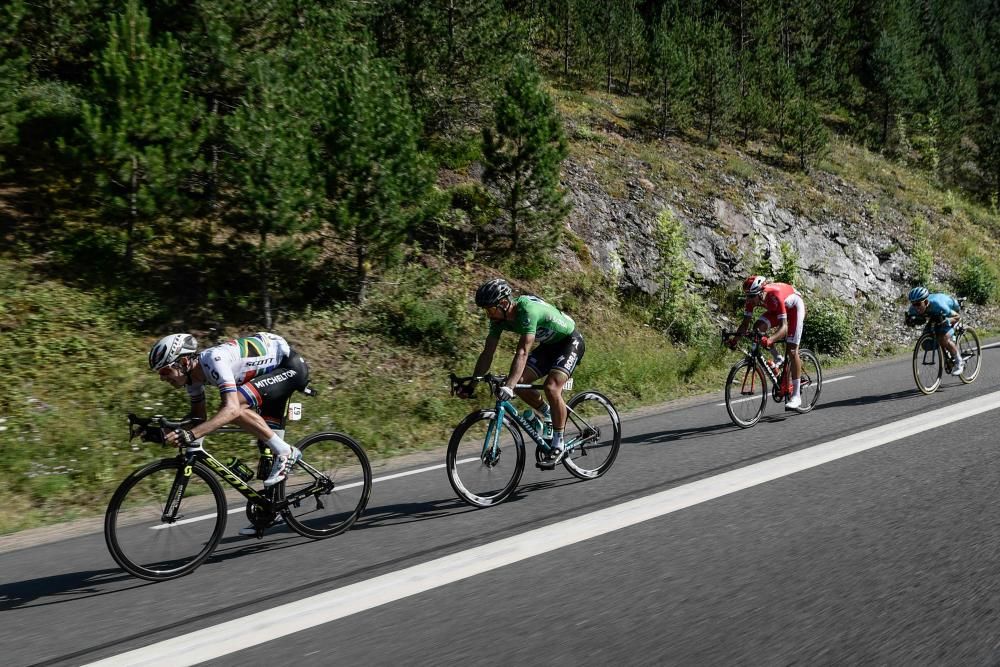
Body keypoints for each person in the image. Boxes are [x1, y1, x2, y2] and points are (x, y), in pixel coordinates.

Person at [148, 332, 310, 488]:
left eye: (165, 371)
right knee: (268, 463)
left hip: (288, 367)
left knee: (233, 408)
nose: (162, 378)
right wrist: (162, 432)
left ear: (183, 363)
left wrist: (191, 434)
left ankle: (286, 452)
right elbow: (198, 418)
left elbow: (231, 410)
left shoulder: (214, 360)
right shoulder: (192, 380)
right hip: (270, 374)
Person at [459, 278, 584, 468]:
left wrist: (508, 386)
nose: (488, 314)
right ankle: (548, 413)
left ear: (503, 303)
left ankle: (559, 443)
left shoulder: (526, 311)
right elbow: (487, 353)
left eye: (490, 309)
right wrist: (472, 385)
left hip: (569, 342)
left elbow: (523, 352)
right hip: (549, 346)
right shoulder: (498, 320)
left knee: (551, 387)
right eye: (485, 310)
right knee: (517, 384)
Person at [729, 275, 807, 410]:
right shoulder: (751, 299)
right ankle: (778, 358)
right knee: (757, 328)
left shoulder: (774, 294)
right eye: (747, 296)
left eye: (752, 296)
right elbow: (745, 324)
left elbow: (784, 327)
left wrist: (770, 340)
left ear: (761, 292)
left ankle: (796, 396)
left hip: (794, 307)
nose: (749, 300)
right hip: (775, 310)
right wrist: (735, 340)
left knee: (792, 350)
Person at [905, 286, 963, 375]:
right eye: (913, 304)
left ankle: (959, 362)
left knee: (943, 338)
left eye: (918, 304)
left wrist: (947, 321)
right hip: (934, 314)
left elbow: (957, 317)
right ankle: (946, 347)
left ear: (926, 301)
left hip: (949, 310)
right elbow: (922, 320)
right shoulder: (913, 309)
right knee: (926, 344)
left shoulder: (939, 305)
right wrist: (912, 321)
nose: (916, 307)